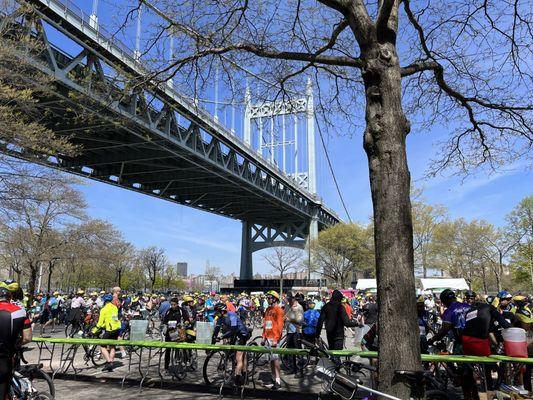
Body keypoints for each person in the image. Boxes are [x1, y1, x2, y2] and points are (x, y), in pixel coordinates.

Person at [0, 282, 32, 399]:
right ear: (10, 297)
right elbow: (28, 338)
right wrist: (16, 344)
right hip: (6, 360)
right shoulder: (20, 311)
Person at [212, 303, 250, 386]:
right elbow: (216, 330)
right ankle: (235, 366)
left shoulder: (232, 315)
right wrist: (212, 343)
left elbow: (233, 330)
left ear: (222, 311)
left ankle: (241, 375)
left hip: (241, 334)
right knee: (231, 352)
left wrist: (221, 337)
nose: (216, 314)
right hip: (233, 334)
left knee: (239, 357)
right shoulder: (220, 318)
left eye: (217, 312)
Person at [91, 294, 121, 372]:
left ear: (104, 301)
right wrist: (105, 325)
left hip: (110, 330)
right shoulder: (114, 307)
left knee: (102, 346)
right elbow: (114, 319)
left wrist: (94, 330)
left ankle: (109, 361)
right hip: (117, 328)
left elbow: (100, 322)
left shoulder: (103, 309)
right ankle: (110, 364)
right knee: (112, 347)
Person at [261, 290, 284, 390]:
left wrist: (276, 339)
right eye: (267, 298)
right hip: (267, 337)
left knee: (275, 359)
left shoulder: (279, 310)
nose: (268, 299)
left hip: (274, 338)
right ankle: (272, 377)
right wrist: (263, 336)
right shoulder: (267, 310)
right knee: (270, 359)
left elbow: (280, 326)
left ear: (275, 299)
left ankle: (278, 380)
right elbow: (265, 324)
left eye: (269, 298)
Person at [284, 292, 304, 377]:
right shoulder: (287, 306)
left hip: (297, 331)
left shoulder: (299, 307)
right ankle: (292, 368)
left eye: (289, 299)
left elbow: (300, 321)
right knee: (289, 351)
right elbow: (285, 317)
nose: (288, 300)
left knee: (298, 351)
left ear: (293, 298)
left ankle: (300, 370)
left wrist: (290, 319)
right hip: (289, 331)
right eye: (287, 299)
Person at [162, 297, 184, 373]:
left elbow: (186, 319)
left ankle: (180, 364)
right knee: (168, 350)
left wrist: (185, 323)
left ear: (177, 304)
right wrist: (165, 327)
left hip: (178, 331)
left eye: (174, 304)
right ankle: (166, 367)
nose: (172, 306)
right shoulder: (168, 311)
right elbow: (165, 321)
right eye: (171, 305)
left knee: (179, 348)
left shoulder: (181, 310)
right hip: (169, 332)